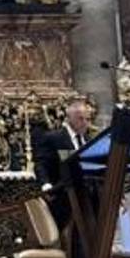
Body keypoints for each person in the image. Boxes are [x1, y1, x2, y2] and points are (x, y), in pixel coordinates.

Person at [34, 98, 91, 230]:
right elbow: (41, 164)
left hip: (86, 198)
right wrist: (45, 184)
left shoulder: (88, 140)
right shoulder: (54, 138)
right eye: (80, 119)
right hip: (63, 198)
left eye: (87, 119)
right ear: (70, 119)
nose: (85, 123)